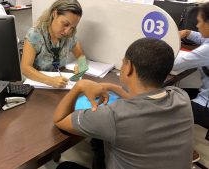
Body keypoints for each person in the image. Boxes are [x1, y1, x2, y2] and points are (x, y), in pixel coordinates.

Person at [53, 38, 194, 169]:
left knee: (65, 167)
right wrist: (113, 87)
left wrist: (80, 85)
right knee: (100, 142)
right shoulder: (181, 96)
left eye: (123, 62)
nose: (68, 30)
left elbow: (59, 119)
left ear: (130, 68)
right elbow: (143, 99)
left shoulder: (114, 116)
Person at [21, 0, 85, 88]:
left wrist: (82, 67)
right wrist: (50, 80)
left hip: (58, 85)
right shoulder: (35, 35)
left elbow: (81, 56)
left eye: (72, 27)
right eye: (65, 24)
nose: (67, 31)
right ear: (55, 13)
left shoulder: (70, 35)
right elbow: (25, 68)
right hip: (35, 87)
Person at [173, 2, 209, 131]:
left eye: (199, 22)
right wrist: (187, 33)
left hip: (206, 108)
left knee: (166, 107)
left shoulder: (207, 50)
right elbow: (203, 38)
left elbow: (175, 63)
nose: (197, 26)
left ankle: (181, 147)